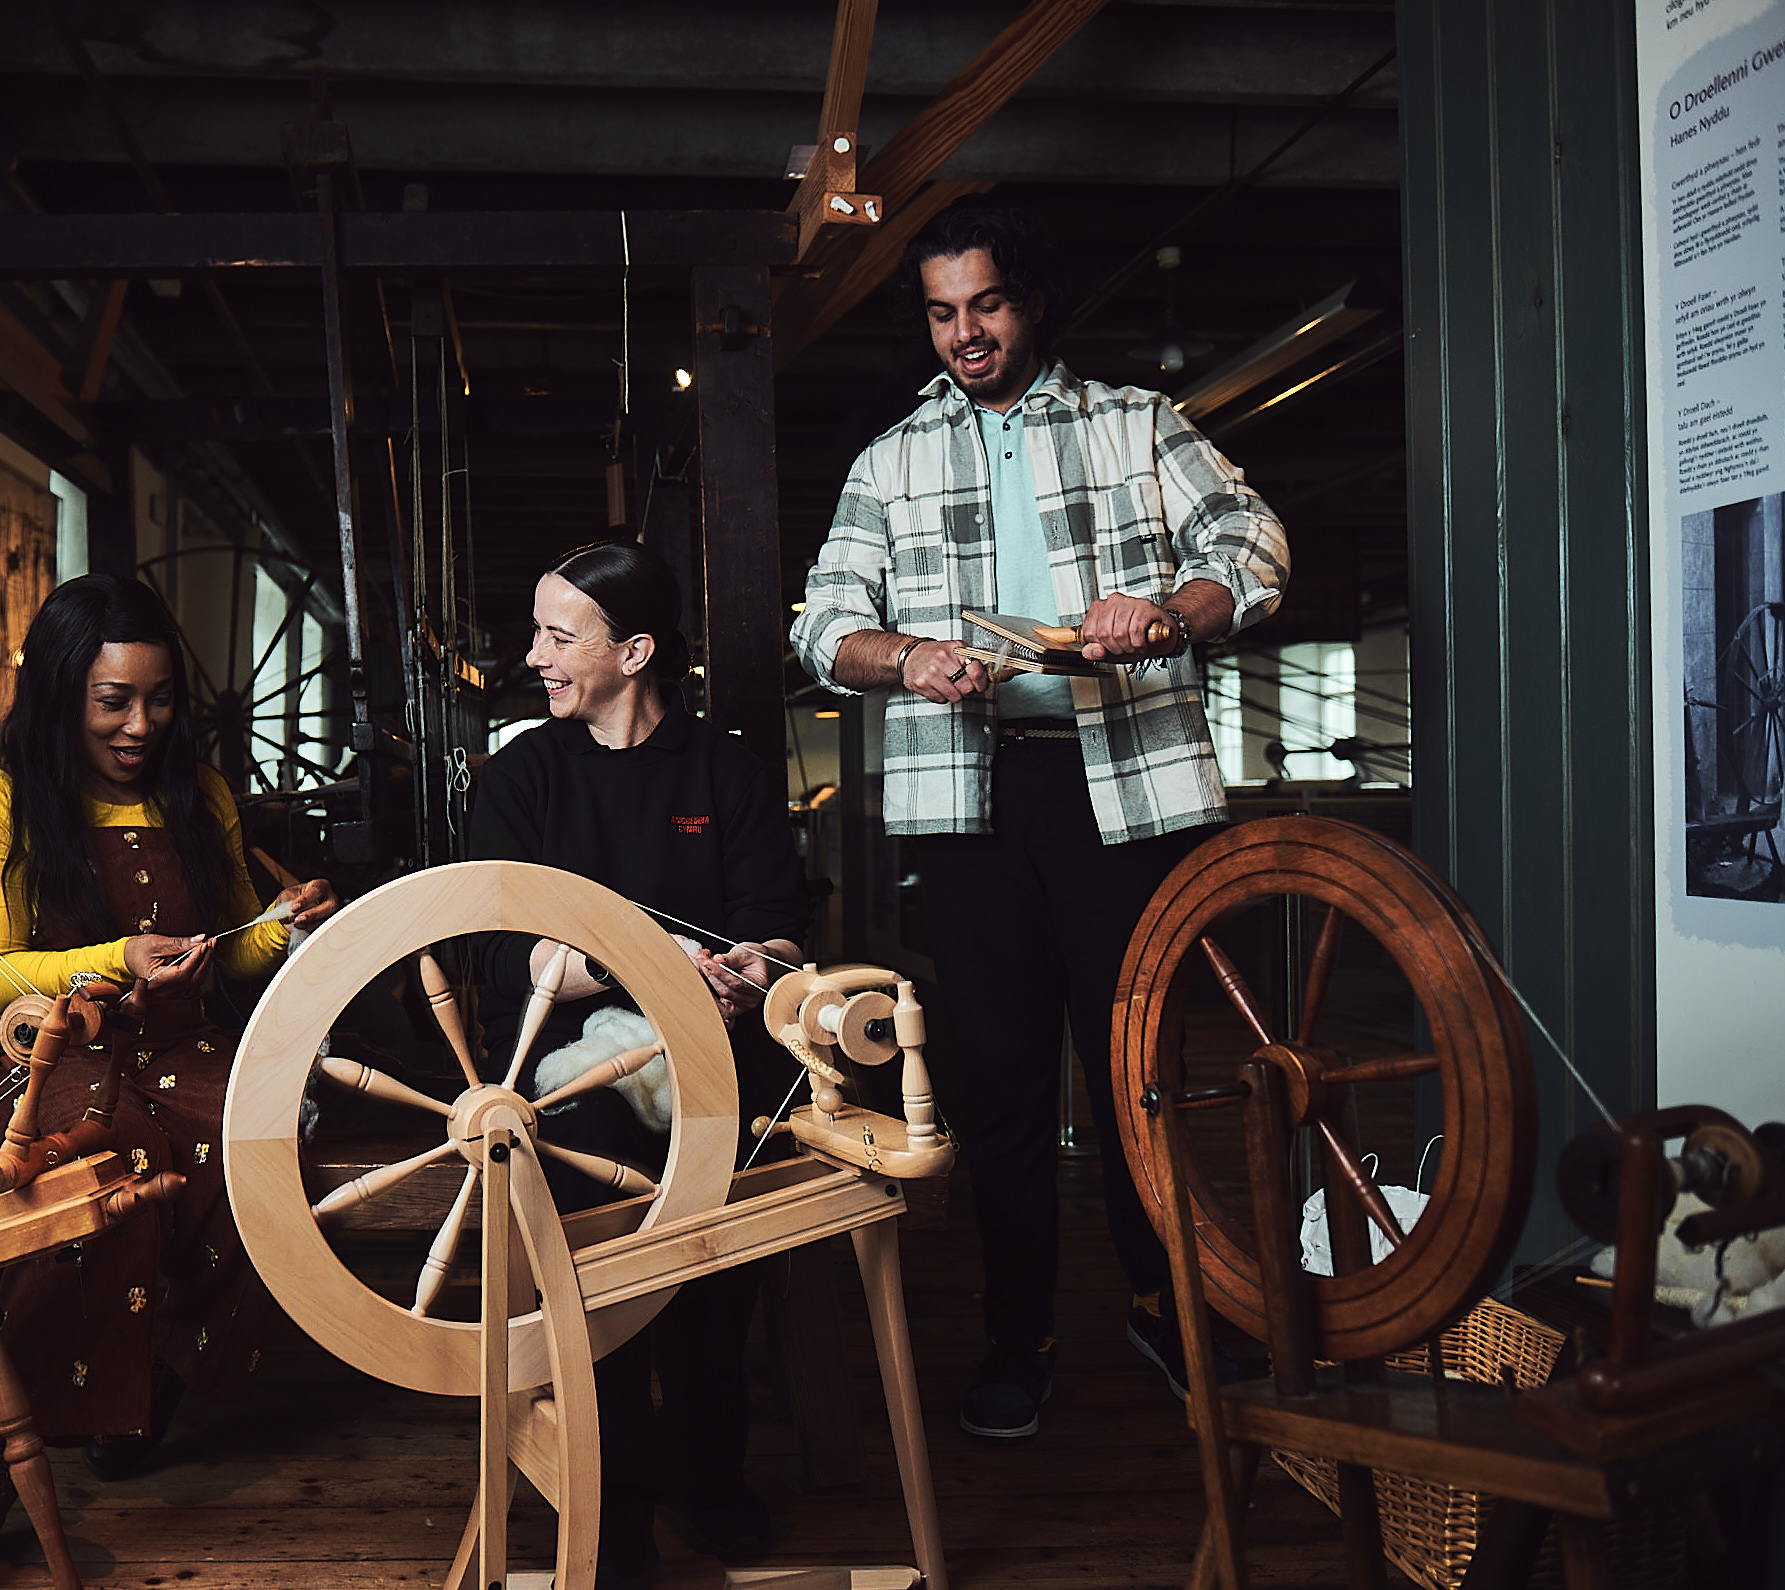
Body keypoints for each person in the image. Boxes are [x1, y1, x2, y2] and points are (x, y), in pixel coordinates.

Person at [790, 197, 1289, 1444]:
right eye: (943, 311)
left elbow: (1256, 540)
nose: (965, 333)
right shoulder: (888, 459)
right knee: (999, 1085)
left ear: (1033, 300)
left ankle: (1166, 1304)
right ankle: (1021, 1337)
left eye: (988, 304)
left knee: (1141, 1072)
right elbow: (818, 624)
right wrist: (906, 661)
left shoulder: (1137, 424)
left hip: (1128, 791)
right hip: (971, 800)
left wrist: (1166, 608)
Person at [0, 573, 339, 1555]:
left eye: (158, 699)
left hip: (184, 1049)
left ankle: (143, 1380)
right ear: (64, 693)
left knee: (259, 1161)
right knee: (99, 1171)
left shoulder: (203, 796)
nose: (140, 723)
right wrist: (117, 959)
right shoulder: (3, 802)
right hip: (51, 1057)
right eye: (114, 700)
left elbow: (228, 950)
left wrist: (285, 928)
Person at [468, 541, 806, 1589]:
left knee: (712, 1223)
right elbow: (489, 950)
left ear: (637, 650)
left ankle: (711, 1474)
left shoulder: (726, 772)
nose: (535, 656)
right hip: (559, 1070)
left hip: (708, 1059)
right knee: (600, 1210)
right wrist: (638, 968)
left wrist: (750, 969)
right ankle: (612, 1505)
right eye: (538, 632)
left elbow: (782, 935)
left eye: (559, 636)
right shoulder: (522, 774)